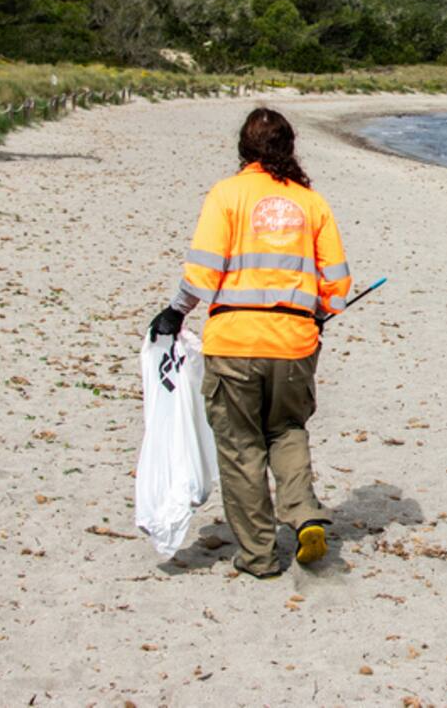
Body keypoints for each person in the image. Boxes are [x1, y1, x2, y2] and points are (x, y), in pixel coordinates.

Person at [148, 106, 351, 578]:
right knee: (287, 430)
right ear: (289, 147)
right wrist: (319, 314)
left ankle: (259, 556)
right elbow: (338, 285)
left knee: (241, 447)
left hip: (234, 342)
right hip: (295, 343)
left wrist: (175, 312)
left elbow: (201, 273)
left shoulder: (227, 195)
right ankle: (303, 515)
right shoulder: (311, 202)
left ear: (244, 148)